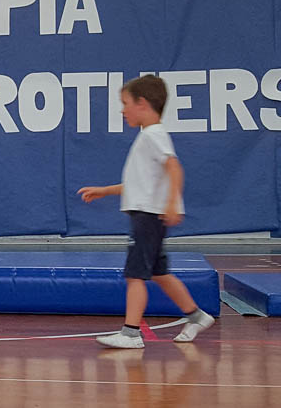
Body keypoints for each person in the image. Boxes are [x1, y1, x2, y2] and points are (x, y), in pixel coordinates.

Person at [78, 75, 214, 349]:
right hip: (149, 215)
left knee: (135, 275)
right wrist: (105, 190)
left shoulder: (153, 135)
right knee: (160, 273)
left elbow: (174, 167)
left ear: (142, 103)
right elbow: (138, 184)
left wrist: (173, 202)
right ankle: (197, 316)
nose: (122, 110)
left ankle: (131, 333)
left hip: (148, 216)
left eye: (125, 103)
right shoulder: (149, 136)